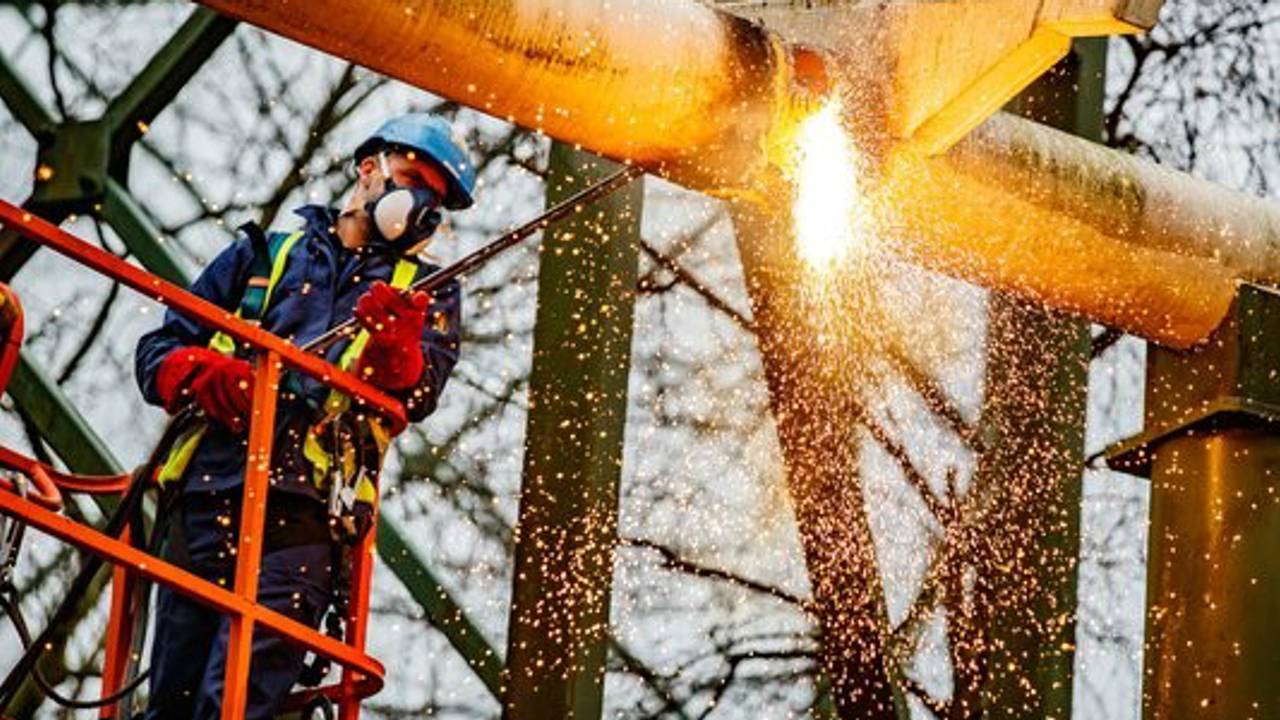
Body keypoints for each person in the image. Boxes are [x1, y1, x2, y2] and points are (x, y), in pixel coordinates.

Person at [134, 113, 473, 719]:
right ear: (369, 169)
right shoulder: (265, 253)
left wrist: (397, 351)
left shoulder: (426, 293)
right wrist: (199, 372)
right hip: (207, 495)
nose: (420, 202)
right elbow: (158, 351)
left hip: (307, 517)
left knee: (230, 705)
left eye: (435, 199)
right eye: (412, 177)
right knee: (172, 703)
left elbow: (420, 392)